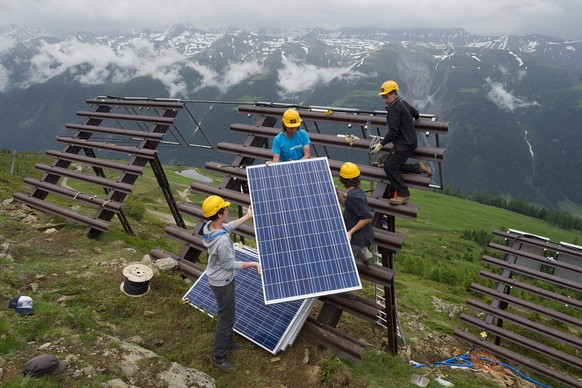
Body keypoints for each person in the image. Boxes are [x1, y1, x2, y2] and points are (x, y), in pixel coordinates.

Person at [202, 195, 261, 373]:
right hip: (222, 282)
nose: (228, 210)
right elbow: (228, 264)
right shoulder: (222, 241)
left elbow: (227, 228)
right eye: (225, 209)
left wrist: (247, 217)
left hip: (218, 279)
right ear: (219, 214)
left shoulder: (209, 228)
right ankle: (218, 357)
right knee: (226, 318)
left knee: (228, 313)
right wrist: (253, 264)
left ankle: (228, 341)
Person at [370, 80, 432, 205]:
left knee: (389, 167)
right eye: (383, 97)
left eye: (386, 97)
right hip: (411, 141)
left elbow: (393, 132)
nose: (385, 100)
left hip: (403, 144)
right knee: (392, 165)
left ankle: (403, 194)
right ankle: (418, 167)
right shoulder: (402, 103)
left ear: (394, 93)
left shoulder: (393, 109)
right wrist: (413, 120)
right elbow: (416, 113)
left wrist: (380, 145)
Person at [336, 162, 375, 269]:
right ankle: (366, 258)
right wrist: (337, 194)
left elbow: (367, 217)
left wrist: (350, 232)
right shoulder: (357, 192)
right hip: (364, 235)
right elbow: (349, 206)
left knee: (346, 266)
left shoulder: (353, 197)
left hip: (357, 238)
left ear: (342, 179)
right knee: (361, 247)